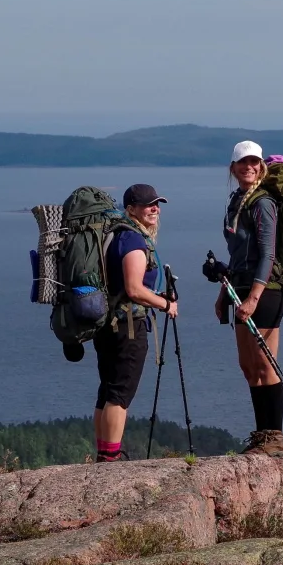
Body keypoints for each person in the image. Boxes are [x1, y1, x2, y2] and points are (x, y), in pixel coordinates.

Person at [92, 183, 177, 462]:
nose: (155, 209)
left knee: (108, 390)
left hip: (107, 324)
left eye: (157, 204)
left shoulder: (115, 235)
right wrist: (166, 304)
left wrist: (156, 297)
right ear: (131, 209)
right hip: (127, 325)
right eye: (148, 205)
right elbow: (134, 289)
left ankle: (104, 453)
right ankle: (110, 458)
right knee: (120, 394)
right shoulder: (133, 240)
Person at [218, 141, 283, 456]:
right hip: (241, 289)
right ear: (233, 167)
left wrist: (254, 298)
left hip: (265, 292)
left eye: (254, 162)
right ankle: (263, 436)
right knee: (248, 366)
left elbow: (267, 254)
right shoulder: (237, 201)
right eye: (242, 162)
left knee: (265, 364)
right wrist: (224, 293)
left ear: (261, 166)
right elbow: (237, 255)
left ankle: (275, 438)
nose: (248, 167)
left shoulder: (263, 203)